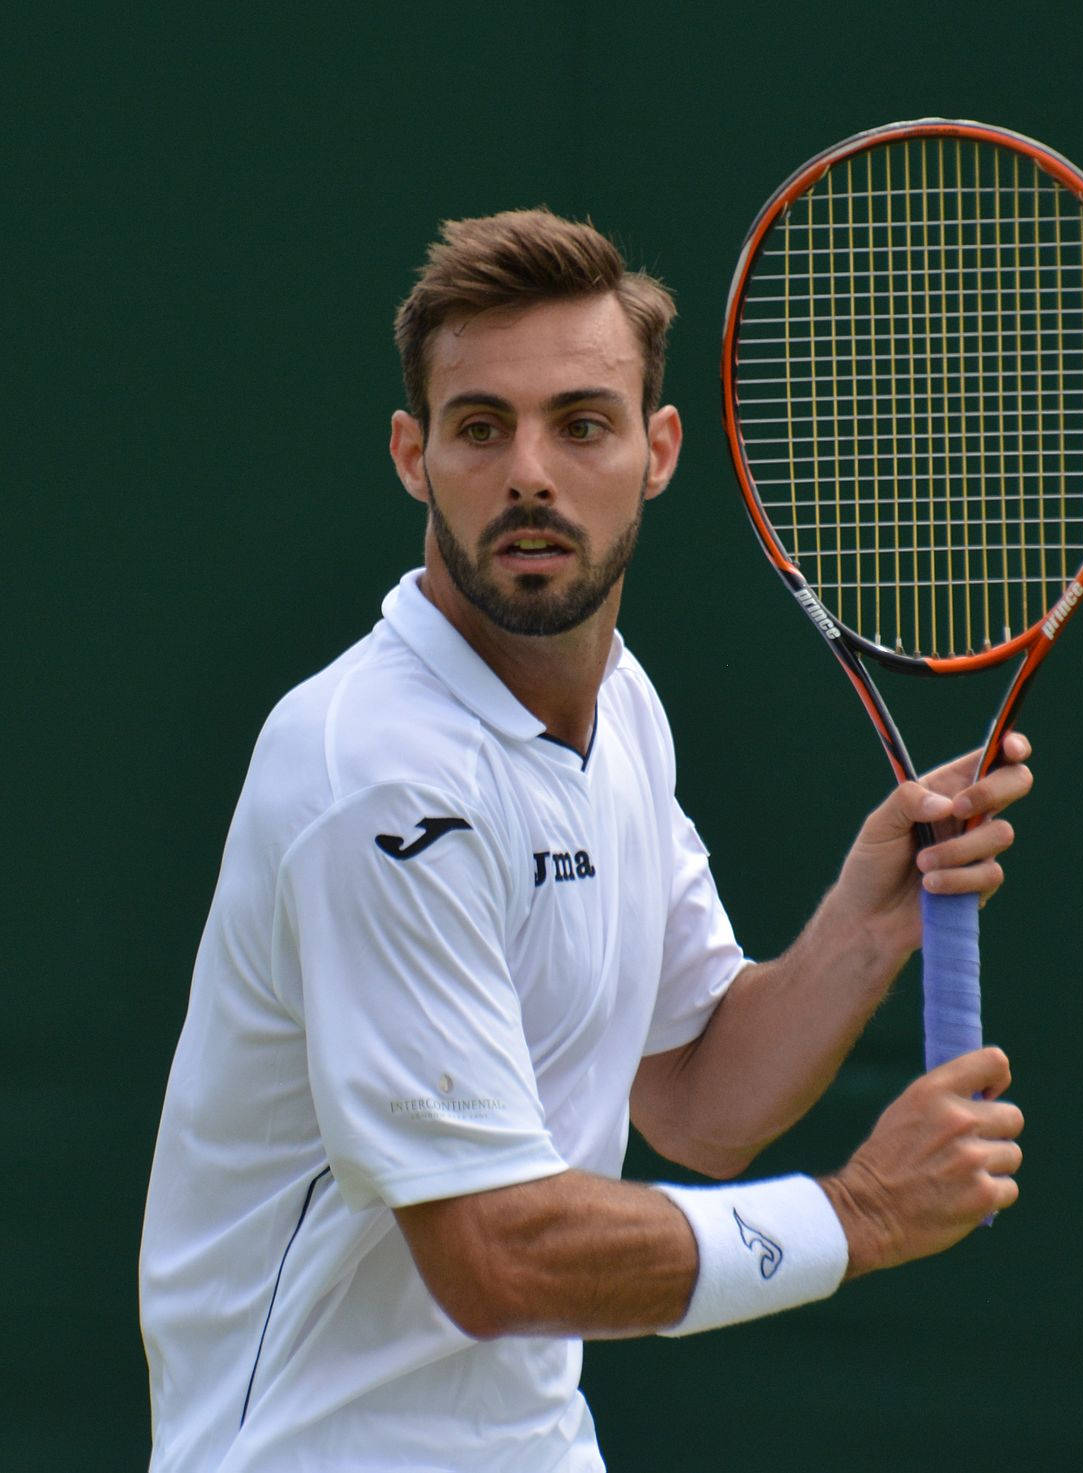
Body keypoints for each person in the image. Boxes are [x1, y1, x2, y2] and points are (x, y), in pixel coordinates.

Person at [139, 208, 1031, 1472]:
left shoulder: (622, 709)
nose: (530, 474)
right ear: (414, 455)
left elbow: (699, 1098)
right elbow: (498, 1256)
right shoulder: (378, 779)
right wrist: (862, 1214)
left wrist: (874, 917)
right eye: (481, 427)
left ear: (659, 450)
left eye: (583, 423)